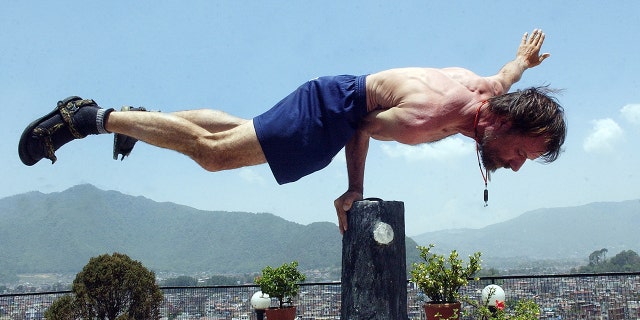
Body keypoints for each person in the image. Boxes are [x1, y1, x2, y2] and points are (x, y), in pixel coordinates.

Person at [19, 29, 566, 234]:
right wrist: (354, 189)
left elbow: (504, 76)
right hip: (333, 112)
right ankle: (89, 117)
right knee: (215, 156)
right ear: (504, 122)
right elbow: (363, 129)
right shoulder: (432, 116)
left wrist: (522, 60)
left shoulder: (490, 95)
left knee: (240, 128)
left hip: (331, 96)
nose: (517, 164)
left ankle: (146, 121)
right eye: (521, 152)